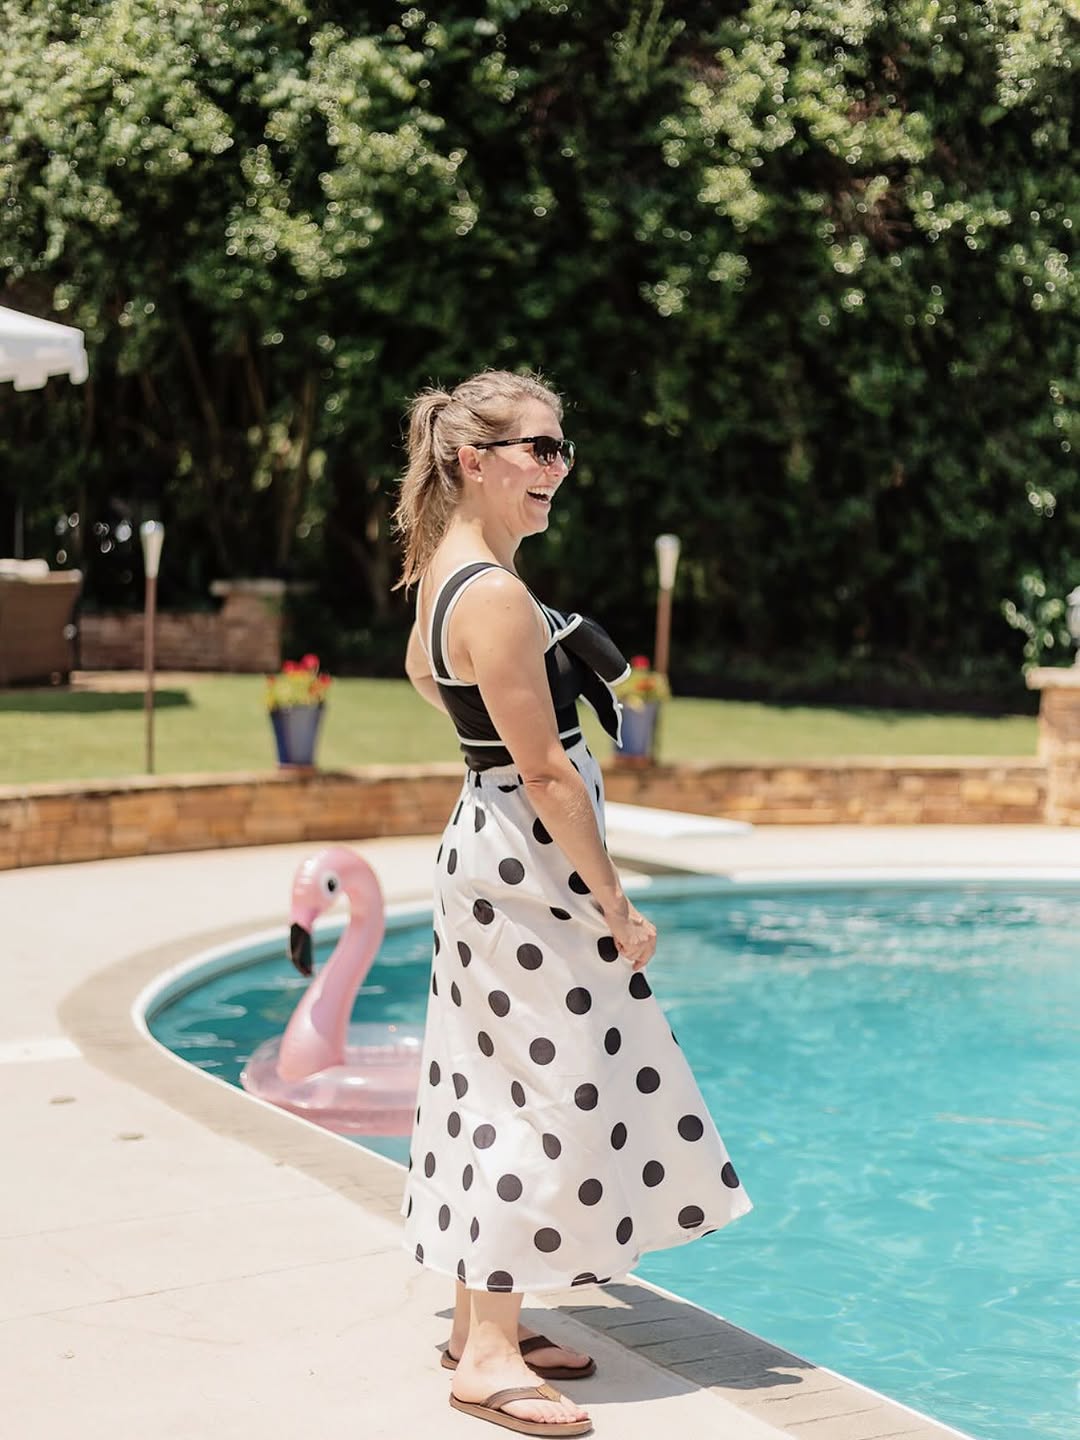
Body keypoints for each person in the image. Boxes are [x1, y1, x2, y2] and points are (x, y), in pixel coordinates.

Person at [395, 370, 752, 1436]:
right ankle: (491, 1352)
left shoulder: (449, 576)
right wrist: (615, 901)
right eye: (535, 450)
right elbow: (544, 770)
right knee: (539, 1096)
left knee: (484, 1081)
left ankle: (476, 1319)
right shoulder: (493, 594)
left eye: (561, 449)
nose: (556, 469)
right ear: (473, 460)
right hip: (529, 867)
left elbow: (431, 683)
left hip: (490, 857)